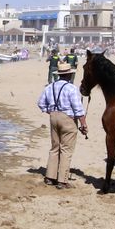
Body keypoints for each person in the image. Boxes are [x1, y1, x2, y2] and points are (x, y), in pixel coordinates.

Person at [37, 61, 88, 189]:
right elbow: (78, 109)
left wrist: (51, 111)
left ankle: (50, 177)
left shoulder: (50, 87)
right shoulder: (71, 88)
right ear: (70, 75)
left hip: (54, 116)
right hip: (68, 118)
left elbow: (41, 103)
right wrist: (83, 124)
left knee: (55, 147)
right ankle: (62, 180)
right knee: (66, 149)